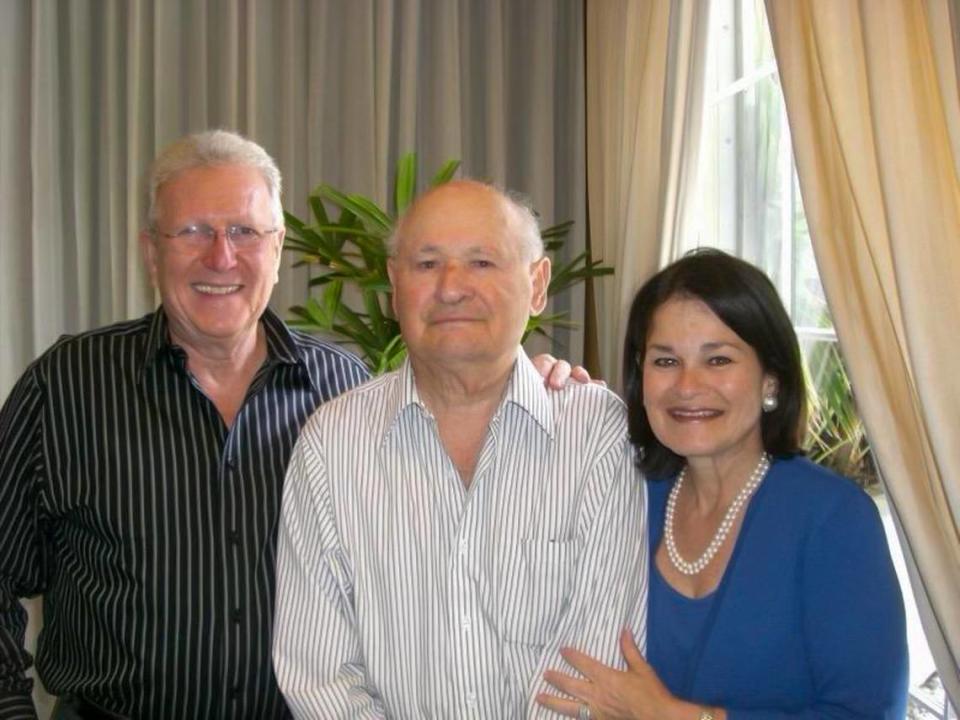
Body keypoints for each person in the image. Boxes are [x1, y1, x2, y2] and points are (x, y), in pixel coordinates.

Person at [0, 130, 584, 720]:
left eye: (245, 232)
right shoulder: (65, 386)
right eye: (194, 232)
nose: (221, 257)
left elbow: (446, 546)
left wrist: (530, 381)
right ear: (152, 251)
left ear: (277, 249)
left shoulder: (346, 389)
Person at [271, 180, 648, 718]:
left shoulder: (597, 435)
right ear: (393, 286)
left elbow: (601, 661)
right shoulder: (331, 445)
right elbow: (320, 674)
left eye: (482, 262)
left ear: (537, 284)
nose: (451, 287)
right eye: (426, 264)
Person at [537, 249, 908, 720]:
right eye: (666, 361)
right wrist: (539, 393)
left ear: (770, 378)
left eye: (718, 360)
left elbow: (870, 713)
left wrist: (676, 717)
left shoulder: (833, 519)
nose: (688, 386)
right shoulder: (623, 492)